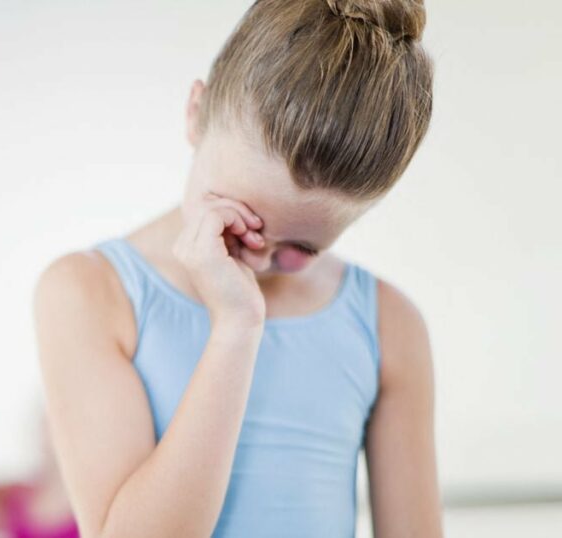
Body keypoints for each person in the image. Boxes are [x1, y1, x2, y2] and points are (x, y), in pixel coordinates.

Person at [34, 1, 442, 537]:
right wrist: (235, 329)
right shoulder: (89, 293)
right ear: (195, 113)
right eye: (237, 219)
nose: (255, 256)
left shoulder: (388, 324)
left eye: (300, 247)